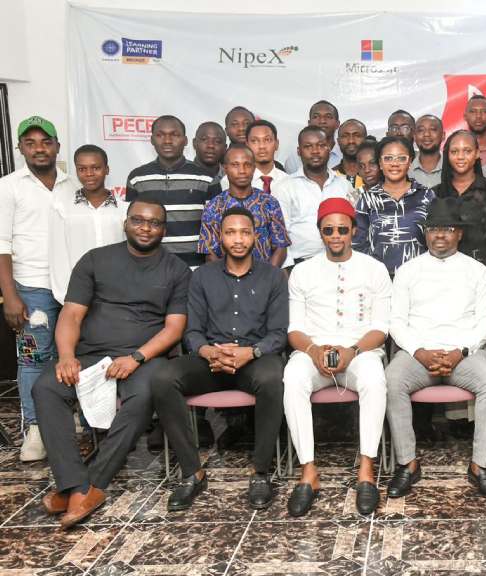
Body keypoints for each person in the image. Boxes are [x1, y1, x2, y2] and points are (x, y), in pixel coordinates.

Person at [32, 198, 190, 528]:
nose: (146, 228)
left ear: (164, 229)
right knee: (46, 387)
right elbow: (71, 314)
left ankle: (92, 484)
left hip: (145, 358)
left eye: (155, 223)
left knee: (144, 396)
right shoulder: (95, 260)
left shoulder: (176, 269)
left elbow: (174, 328)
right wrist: (66, 356)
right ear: (125, 223)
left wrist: (136, 357)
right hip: (91, 354)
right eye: (138, 220)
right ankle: (75, 484)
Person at [152, 206, 288, 511]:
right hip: (211, 361)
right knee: (163, 378)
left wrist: (249, 352)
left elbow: (279, 333)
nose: (238, 239)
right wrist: (209, 351)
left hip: (255, 358)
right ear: (219, 236)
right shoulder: (201, 277)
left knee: (274, 377)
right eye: (230, 232)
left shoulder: (273, 276)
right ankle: (192, 472)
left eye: (245, 232)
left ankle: (261, 472)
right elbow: (192, 332)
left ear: (256, 236)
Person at [385, 197, 486, 500]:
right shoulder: (408, 271)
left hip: (464, 354)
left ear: (459, 233)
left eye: (448, 229)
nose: (440, 235)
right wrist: (420, 352)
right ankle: (407, 463)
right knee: (391, 380)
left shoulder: (477, 271)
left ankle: (480, 465)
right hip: (418, 354)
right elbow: (396, 322)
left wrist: (460, 352)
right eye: (433, 229)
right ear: (426, 233)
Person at [283, 198, 392, 517]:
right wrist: (315, 351)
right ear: (319, 232)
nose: (335, 236)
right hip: (313, 351)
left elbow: (381, 328)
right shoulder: (302, 272)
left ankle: (366, 470)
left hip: (360, 351)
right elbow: (295, 330)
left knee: (374, 379)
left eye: (342, 229)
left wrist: (352, 351)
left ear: (354, 231)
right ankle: (308, 471)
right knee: (293, 378)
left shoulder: (375, 269)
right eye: (328, 230)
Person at [0, 116, 74, 461]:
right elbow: (1, 245)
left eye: (45, 142)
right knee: (33, 358)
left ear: (57, 146)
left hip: (71, 286)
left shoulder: (72, 184)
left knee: (68, 353)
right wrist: (10, 296)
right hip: (31, 286)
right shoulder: (9, 186)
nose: (39, 149)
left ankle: (67, 417)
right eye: (30, 143)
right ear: (20, 149)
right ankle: (35, 428)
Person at [125, 115, 221, 268]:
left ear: (185, 140)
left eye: (174, 135)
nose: (167, 141)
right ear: (152, 140)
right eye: (160, 135)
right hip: (150, 267)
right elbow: (132, 226)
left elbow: (215, 227)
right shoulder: (137, 178)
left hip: (195, 267)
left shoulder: (207, 178)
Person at [49, 144, 128, 304]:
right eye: (82, 169)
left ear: (107, 169)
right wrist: (67, 298)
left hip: (118, 294)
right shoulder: (63, 208)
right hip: (77, 295)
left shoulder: (125, 209)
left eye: (96, 168)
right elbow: (58, 256)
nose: (89, 174)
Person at [432, 130, 486, 276]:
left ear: (477, 154)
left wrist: (479, 276)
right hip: (441, 276)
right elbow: (430, 239)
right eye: (454, 151)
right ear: (447, 155)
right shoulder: (436, 193)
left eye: (467, 151)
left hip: (483, 276)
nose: (460, 156)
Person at [353, 136, 434, 276]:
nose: (394, 164)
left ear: (410, 162)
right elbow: (358, 244)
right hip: (379, 280)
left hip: (420, 277)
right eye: (388, 158)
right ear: (380, 163)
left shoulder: (426, 195)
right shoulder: (367, 199)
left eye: (401, 158)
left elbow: (436, 239)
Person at [199, 144, 290, 267]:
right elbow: (210, 253)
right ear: (225, 168)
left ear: (254, 168)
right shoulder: (214, 207)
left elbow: (280, 246)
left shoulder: (269, 202)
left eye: (247, 165)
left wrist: (268, 275)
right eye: (235, 165)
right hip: (225, 277)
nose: (242, 171)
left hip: (265, 274)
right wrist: (225, 277)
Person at [276, 126, 355, 267]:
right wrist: (288, 269)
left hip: (342, 263)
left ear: (329, 148)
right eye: (308, 146)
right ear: (299, 151)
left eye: (321, 145)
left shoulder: (344, 185)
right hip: (300, 265)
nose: (315, 151)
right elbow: (280, 234)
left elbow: (354, 227)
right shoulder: (284, 187)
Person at [284, 100, 343, 173]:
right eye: (316, 117)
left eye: (328, 116)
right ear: (309, 123)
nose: (322, 121)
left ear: (337, 124)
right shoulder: (294, 160)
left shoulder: (346, 155)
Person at [410, 115, 444, 188]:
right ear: (414, 137)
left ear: (443, 135)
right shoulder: (405, 168)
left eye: (433, 129)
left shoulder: (453, 166)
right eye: (421, 130)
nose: (426, 134)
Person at [333, 119, 367, 188]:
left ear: (366, 140)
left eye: (357, 136)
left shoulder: (377, 175)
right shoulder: (329, 176)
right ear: (338, 141)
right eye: (345, 136)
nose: (351, 141)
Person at [465, 95, 486, 165]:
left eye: (484, 111)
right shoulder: (455, 149)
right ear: (465, 117)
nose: (478, 116)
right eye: (473, 111)